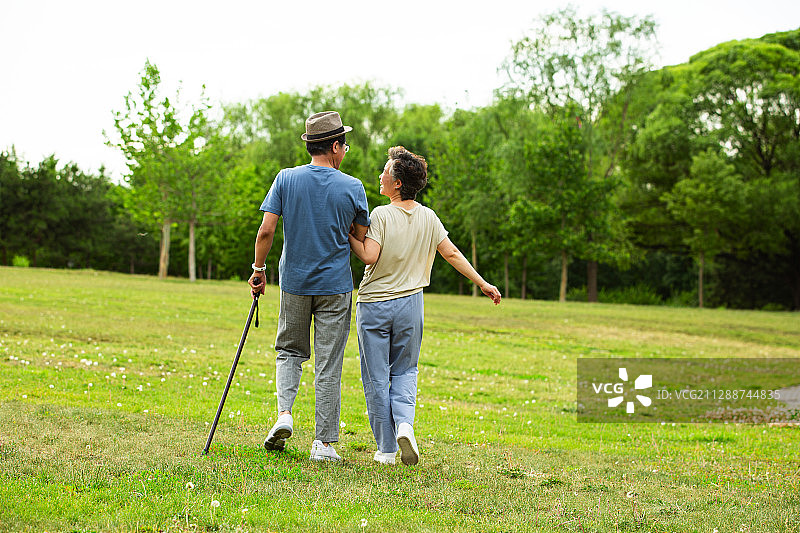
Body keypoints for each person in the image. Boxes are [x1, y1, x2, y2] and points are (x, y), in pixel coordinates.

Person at [348, 146, 501, 466]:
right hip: (411, 306)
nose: (381, 175)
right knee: (405, 370)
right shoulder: (429, 217)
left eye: (386, 172)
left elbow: (369, 256)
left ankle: (387, 449)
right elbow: (452, 254)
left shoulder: (381, 215)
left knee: (376, 377)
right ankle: (405, 423)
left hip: (375, 305)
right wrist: (483, 283)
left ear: (398, 183)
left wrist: (348, 233)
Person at [248, 111, 370, 462]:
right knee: (328, 362)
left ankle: (284, 414)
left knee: (289, 351)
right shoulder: (353, 187)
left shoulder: (285, 179)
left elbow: (266, 231)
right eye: (344, 144)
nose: (345, 150)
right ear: (334, 146)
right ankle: (324, 443)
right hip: (336, 286)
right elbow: (358, 237)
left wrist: (259, 269)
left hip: (295, 283)